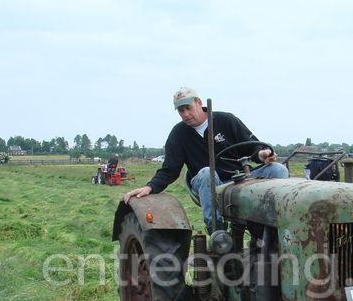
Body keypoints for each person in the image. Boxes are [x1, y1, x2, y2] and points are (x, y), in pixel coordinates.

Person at [124, 87, 289, 232]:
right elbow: (170, 169)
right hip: (205, 181)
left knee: (278, 169)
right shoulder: (179, 134)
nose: (185, 114)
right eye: (181, 111)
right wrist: (150, 187)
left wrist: (262, 154)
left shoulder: (226, 120)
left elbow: (252, 146)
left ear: (198, 102)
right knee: (206, 172)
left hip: (238, 178)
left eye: (188, 108)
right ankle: (217, 230)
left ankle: (277, 223)